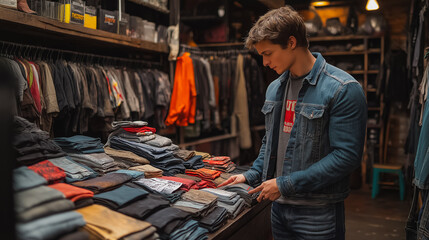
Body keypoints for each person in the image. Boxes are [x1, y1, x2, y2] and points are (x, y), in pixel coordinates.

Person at [218, 5, 367, 240]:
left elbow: (346, 157)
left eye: (268, 53)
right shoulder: (275, 88)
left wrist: (285, 184)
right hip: (278, 208)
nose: (264, 63)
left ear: (290, 42)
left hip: (318, 212)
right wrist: (252, 174)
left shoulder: (342, 89)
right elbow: (272, 141)